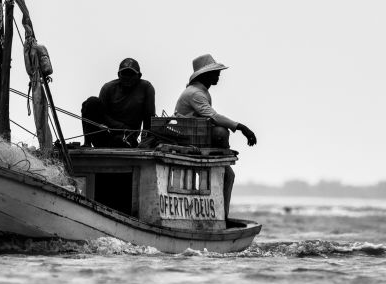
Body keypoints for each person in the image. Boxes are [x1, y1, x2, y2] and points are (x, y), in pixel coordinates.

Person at [174, 53, 257, 219]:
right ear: (205, 75)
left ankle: (222, 215)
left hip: (198, 137)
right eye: (215, 72)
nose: (218, 75)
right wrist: (241, 127)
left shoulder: (200, 91)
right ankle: (220, 217)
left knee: (228, 175)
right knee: (220, 132)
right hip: (190, 139)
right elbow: (214, 116)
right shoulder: (195, 93)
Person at [81, 58, 156, 148]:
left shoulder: (146, 88)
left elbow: (149, 120)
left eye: (131, 74)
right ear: (118, 75)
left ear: (139, 76)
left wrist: (146, 142)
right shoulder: (108, 88)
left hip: (127, 138)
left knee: (120, 142)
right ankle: (87, 143)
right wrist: (121, 126)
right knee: (91, 102)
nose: (127, 77)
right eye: (124, 74)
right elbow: (101, 116)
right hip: (105, 134)